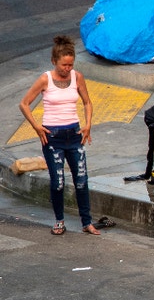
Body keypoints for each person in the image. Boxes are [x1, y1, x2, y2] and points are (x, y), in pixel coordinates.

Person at [19, 36, 97, 236]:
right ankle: (59, 221)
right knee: (58, 182)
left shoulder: (77, 77)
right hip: (53, 138)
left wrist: (87, 124)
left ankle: (87, 222)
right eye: (64, 65)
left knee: (81, 180)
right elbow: (24, 103)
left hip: (74, 134)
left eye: (70, 65)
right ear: (54, 61)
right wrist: (37, 127)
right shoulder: (45, 79)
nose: (67, 69)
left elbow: (87, 102)